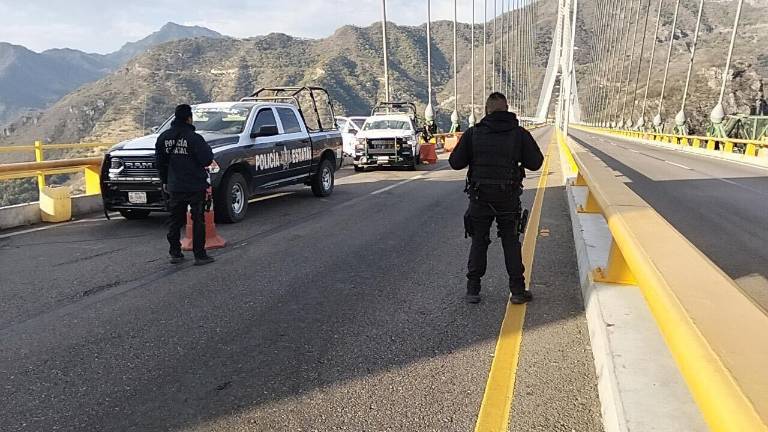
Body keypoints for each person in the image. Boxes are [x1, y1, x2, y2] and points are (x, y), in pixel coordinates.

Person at [449, 93, 543, 304]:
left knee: (479, 241)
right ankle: (518, 291)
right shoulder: (519, 134)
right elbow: (536, 162)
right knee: (510, 241)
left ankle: (473, 290)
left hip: (479, 197)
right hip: (508, 197)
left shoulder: (474, 134)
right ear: (507, 109)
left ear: (487, 110)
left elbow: (455, 162)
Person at [155, 104, 215, 266]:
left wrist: (165, 181)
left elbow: (159, 163)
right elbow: (207, 159)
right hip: (195, 185)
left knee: (175, 220)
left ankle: (175, 252)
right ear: (189, 118)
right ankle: (200, 255)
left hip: (174, 186)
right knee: (198, 219)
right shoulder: (194, 138)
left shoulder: (163, 138)